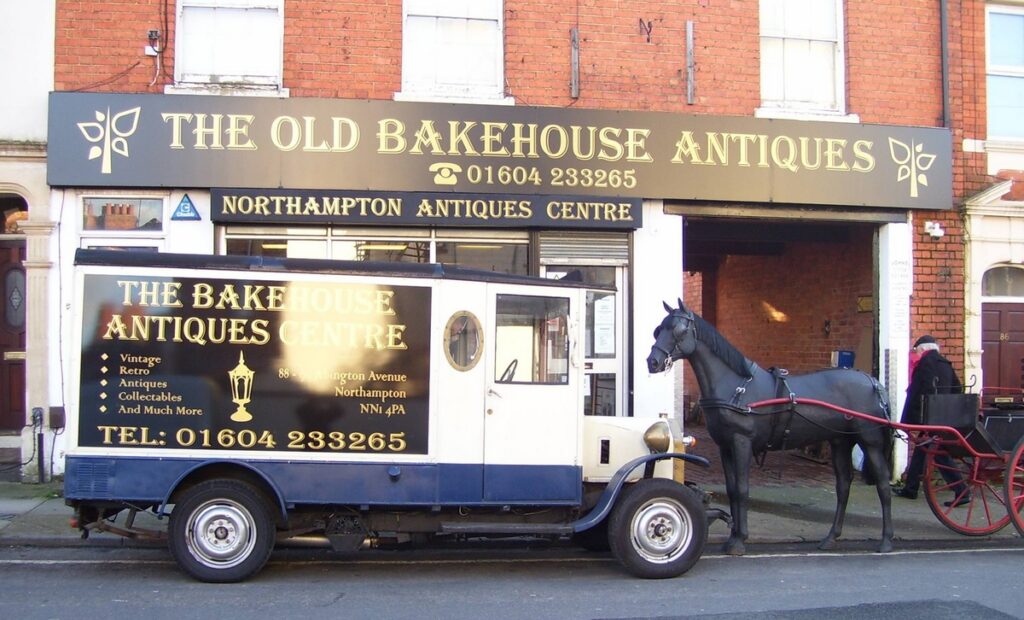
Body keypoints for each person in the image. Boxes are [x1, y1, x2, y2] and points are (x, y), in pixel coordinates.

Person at [893, 335, 971, 506]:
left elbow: (923, 391)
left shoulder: (926, 363)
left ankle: (962, 490)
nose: (917, 354)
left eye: (917, 351)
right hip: (943, 417)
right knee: (922, 449)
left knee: (937, 454)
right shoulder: (945, 363)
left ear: (923, 349)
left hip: (931, 417)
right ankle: (911, 488)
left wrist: (912, 418)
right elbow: (957, 388)